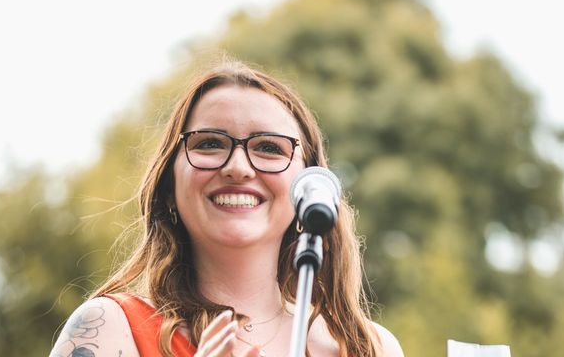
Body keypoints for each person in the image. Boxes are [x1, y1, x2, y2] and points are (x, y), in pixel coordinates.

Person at [50, 58, 404, 357]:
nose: (238, 166)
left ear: (307, 187)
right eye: (209, 143)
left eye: (269, 147)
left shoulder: (368, 346)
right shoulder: (108, 328)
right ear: (169, 185)